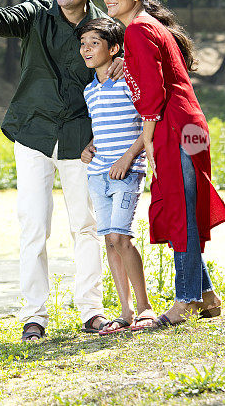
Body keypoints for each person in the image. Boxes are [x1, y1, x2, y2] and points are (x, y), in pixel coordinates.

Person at [0, 0, 124, 340]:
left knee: (86, 225)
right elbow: (1, 17)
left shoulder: (106, 28)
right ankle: (34, 316)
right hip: (33, 133)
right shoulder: (38, 14)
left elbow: (125, 66)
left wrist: (122, 64)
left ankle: (93, 311)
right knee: (33, 225)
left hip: (83, 138)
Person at [101, 0, 225, 329]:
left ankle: (185, 299)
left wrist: (149, 141)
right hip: (186, 123)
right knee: (182, 209)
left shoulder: (139, 31)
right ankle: (206, 296)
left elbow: (152, 96)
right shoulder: (146, 29)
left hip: (174, 127)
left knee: (180, 212)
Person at [77, 17, 156, 335]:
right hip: (98, 174)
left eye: (94, 43)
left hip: (127, 172)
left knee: (122, 239)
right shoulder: (89, 91)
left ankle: (145, 308)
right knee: (109, 241)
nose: (86, 49)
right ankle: (124, 313)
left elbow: (146, 123)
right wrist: (90, 146)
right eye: (83, 44)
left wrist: (128, 158)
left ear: (114, 48)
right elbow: (105, 127)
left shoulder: (129, 82)